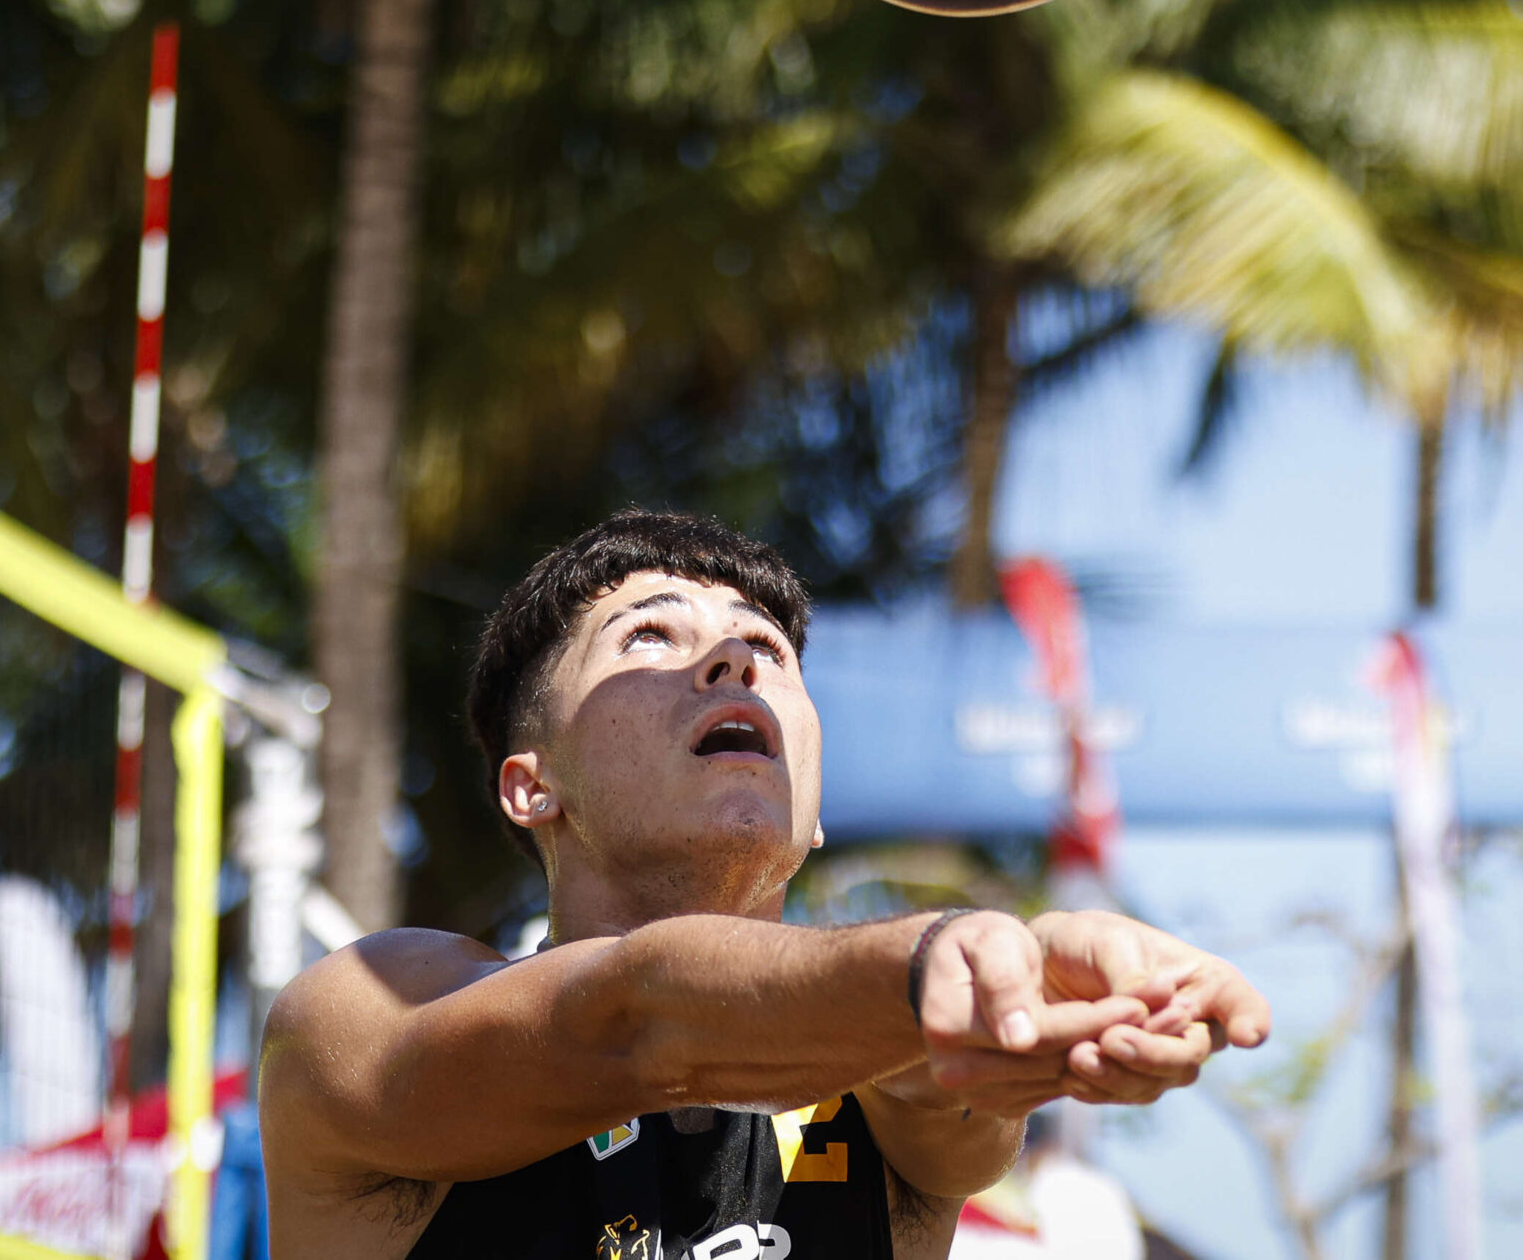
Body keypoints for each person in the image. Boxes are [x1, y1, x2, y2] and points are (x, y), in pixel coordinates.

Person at [259, 512, 1271, 1260]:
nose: (732, 658)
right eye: (649, 634)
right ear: (532, 785)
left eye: (768, 649)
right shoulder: (357, 1016)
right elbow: (634, 1013)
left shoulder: (891, 1086)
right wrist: (939, 966)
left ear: (813, 807)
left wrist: (1014, 998)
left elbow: (934, 1081)